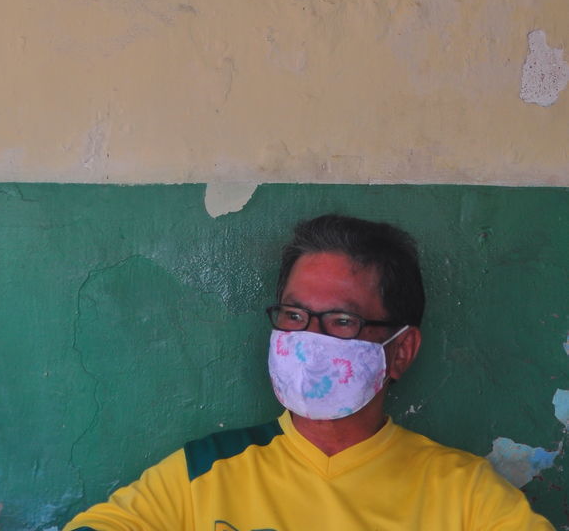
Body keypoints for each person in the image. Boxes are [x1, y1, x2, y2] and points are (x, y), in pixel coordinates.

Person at [62, 213, 554, 531]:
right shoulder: (203, 474)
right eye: (295, 316)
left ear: (400, 351)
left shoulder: (464, 496)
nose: (308, 341)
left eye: (342, 320)